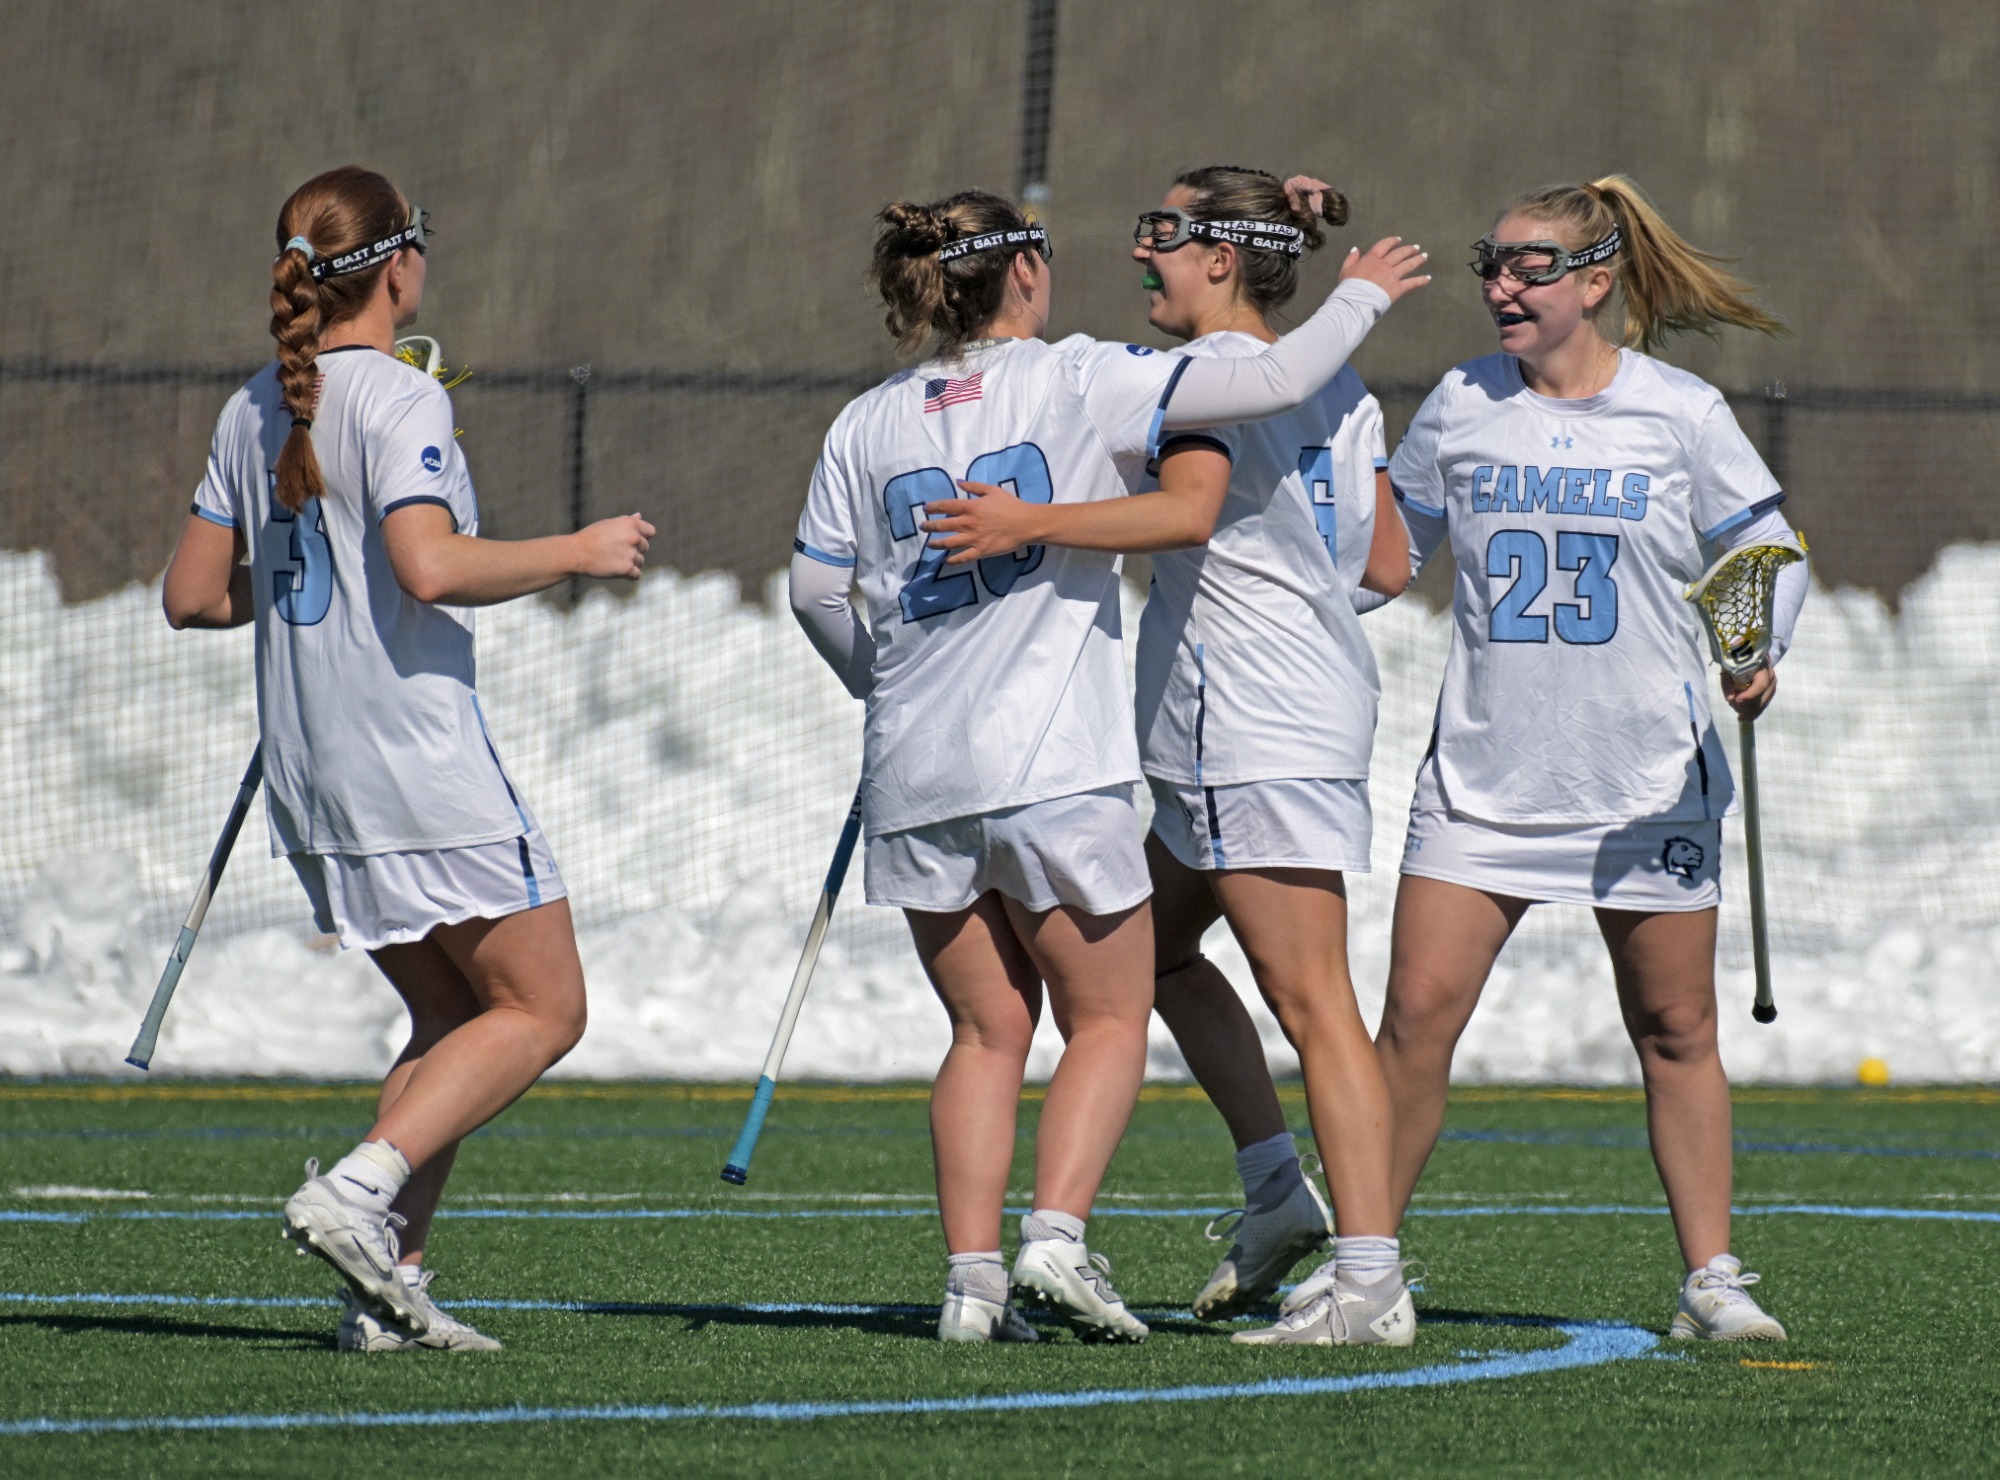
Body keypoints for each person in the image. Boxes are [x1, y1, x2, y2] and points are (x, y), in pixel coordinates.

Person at [790, 188, 1426, 1343]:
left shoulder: (869, 417)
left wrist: (889, 671)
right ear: (1023, 274)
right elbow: (1381, 559)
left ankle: (1357, 1274)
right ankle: (1210, 1205)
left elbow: (814, 591)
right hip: (1124, 748)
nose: (1138, 248)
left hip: (1187, 728)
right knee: (1141, 981)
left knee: (1030, 1024)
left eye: (1166, 233)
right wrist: (1343, 288)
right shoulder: (1123, 374)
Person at [161, 165, 653, 1352]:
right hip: (411, 759)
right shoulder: (399, 397)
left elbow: (191, 595)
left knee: (448, 1012)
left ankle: (384, 1291)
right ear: (397, 265)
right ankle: (358, 1187)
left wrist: (312, 586)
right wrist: (577, 549)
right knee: (545, 1007)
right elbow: (430, 568)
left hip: (313, 774)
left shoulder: (253, 404)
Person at [1361, 175, 1807, 1341]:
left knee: (1675, 1029)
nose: (1501, 287)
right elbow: (1386, 556)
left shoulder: (1678, 411)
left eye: (1530, 267)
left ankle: (1711, 1280)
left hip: (1641, 782)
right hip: (1482, 780)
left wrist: (1754, 645)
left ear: (1595, 281)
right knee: (1412, 1020)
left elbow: (1763, 547)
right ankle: (1363, 1271)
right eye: (1491, 264)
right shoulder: (1460, 401)